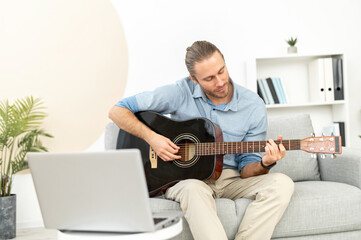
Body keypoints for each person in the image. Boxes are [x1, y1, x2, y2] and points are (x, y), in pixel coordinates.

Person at [109, 40, 294, 240]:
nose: (220, 82)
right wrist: (153, 138)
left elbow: (248, 169)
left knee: (282, 183)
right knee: (192, 189)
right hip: (187, 179)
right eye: (209, 78)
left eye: (222, 71)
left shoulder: (253, 105)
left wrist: (266, 163)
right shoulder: (180, 91)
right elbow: (117, 111)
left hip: (231, 178)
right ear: (194, 79)